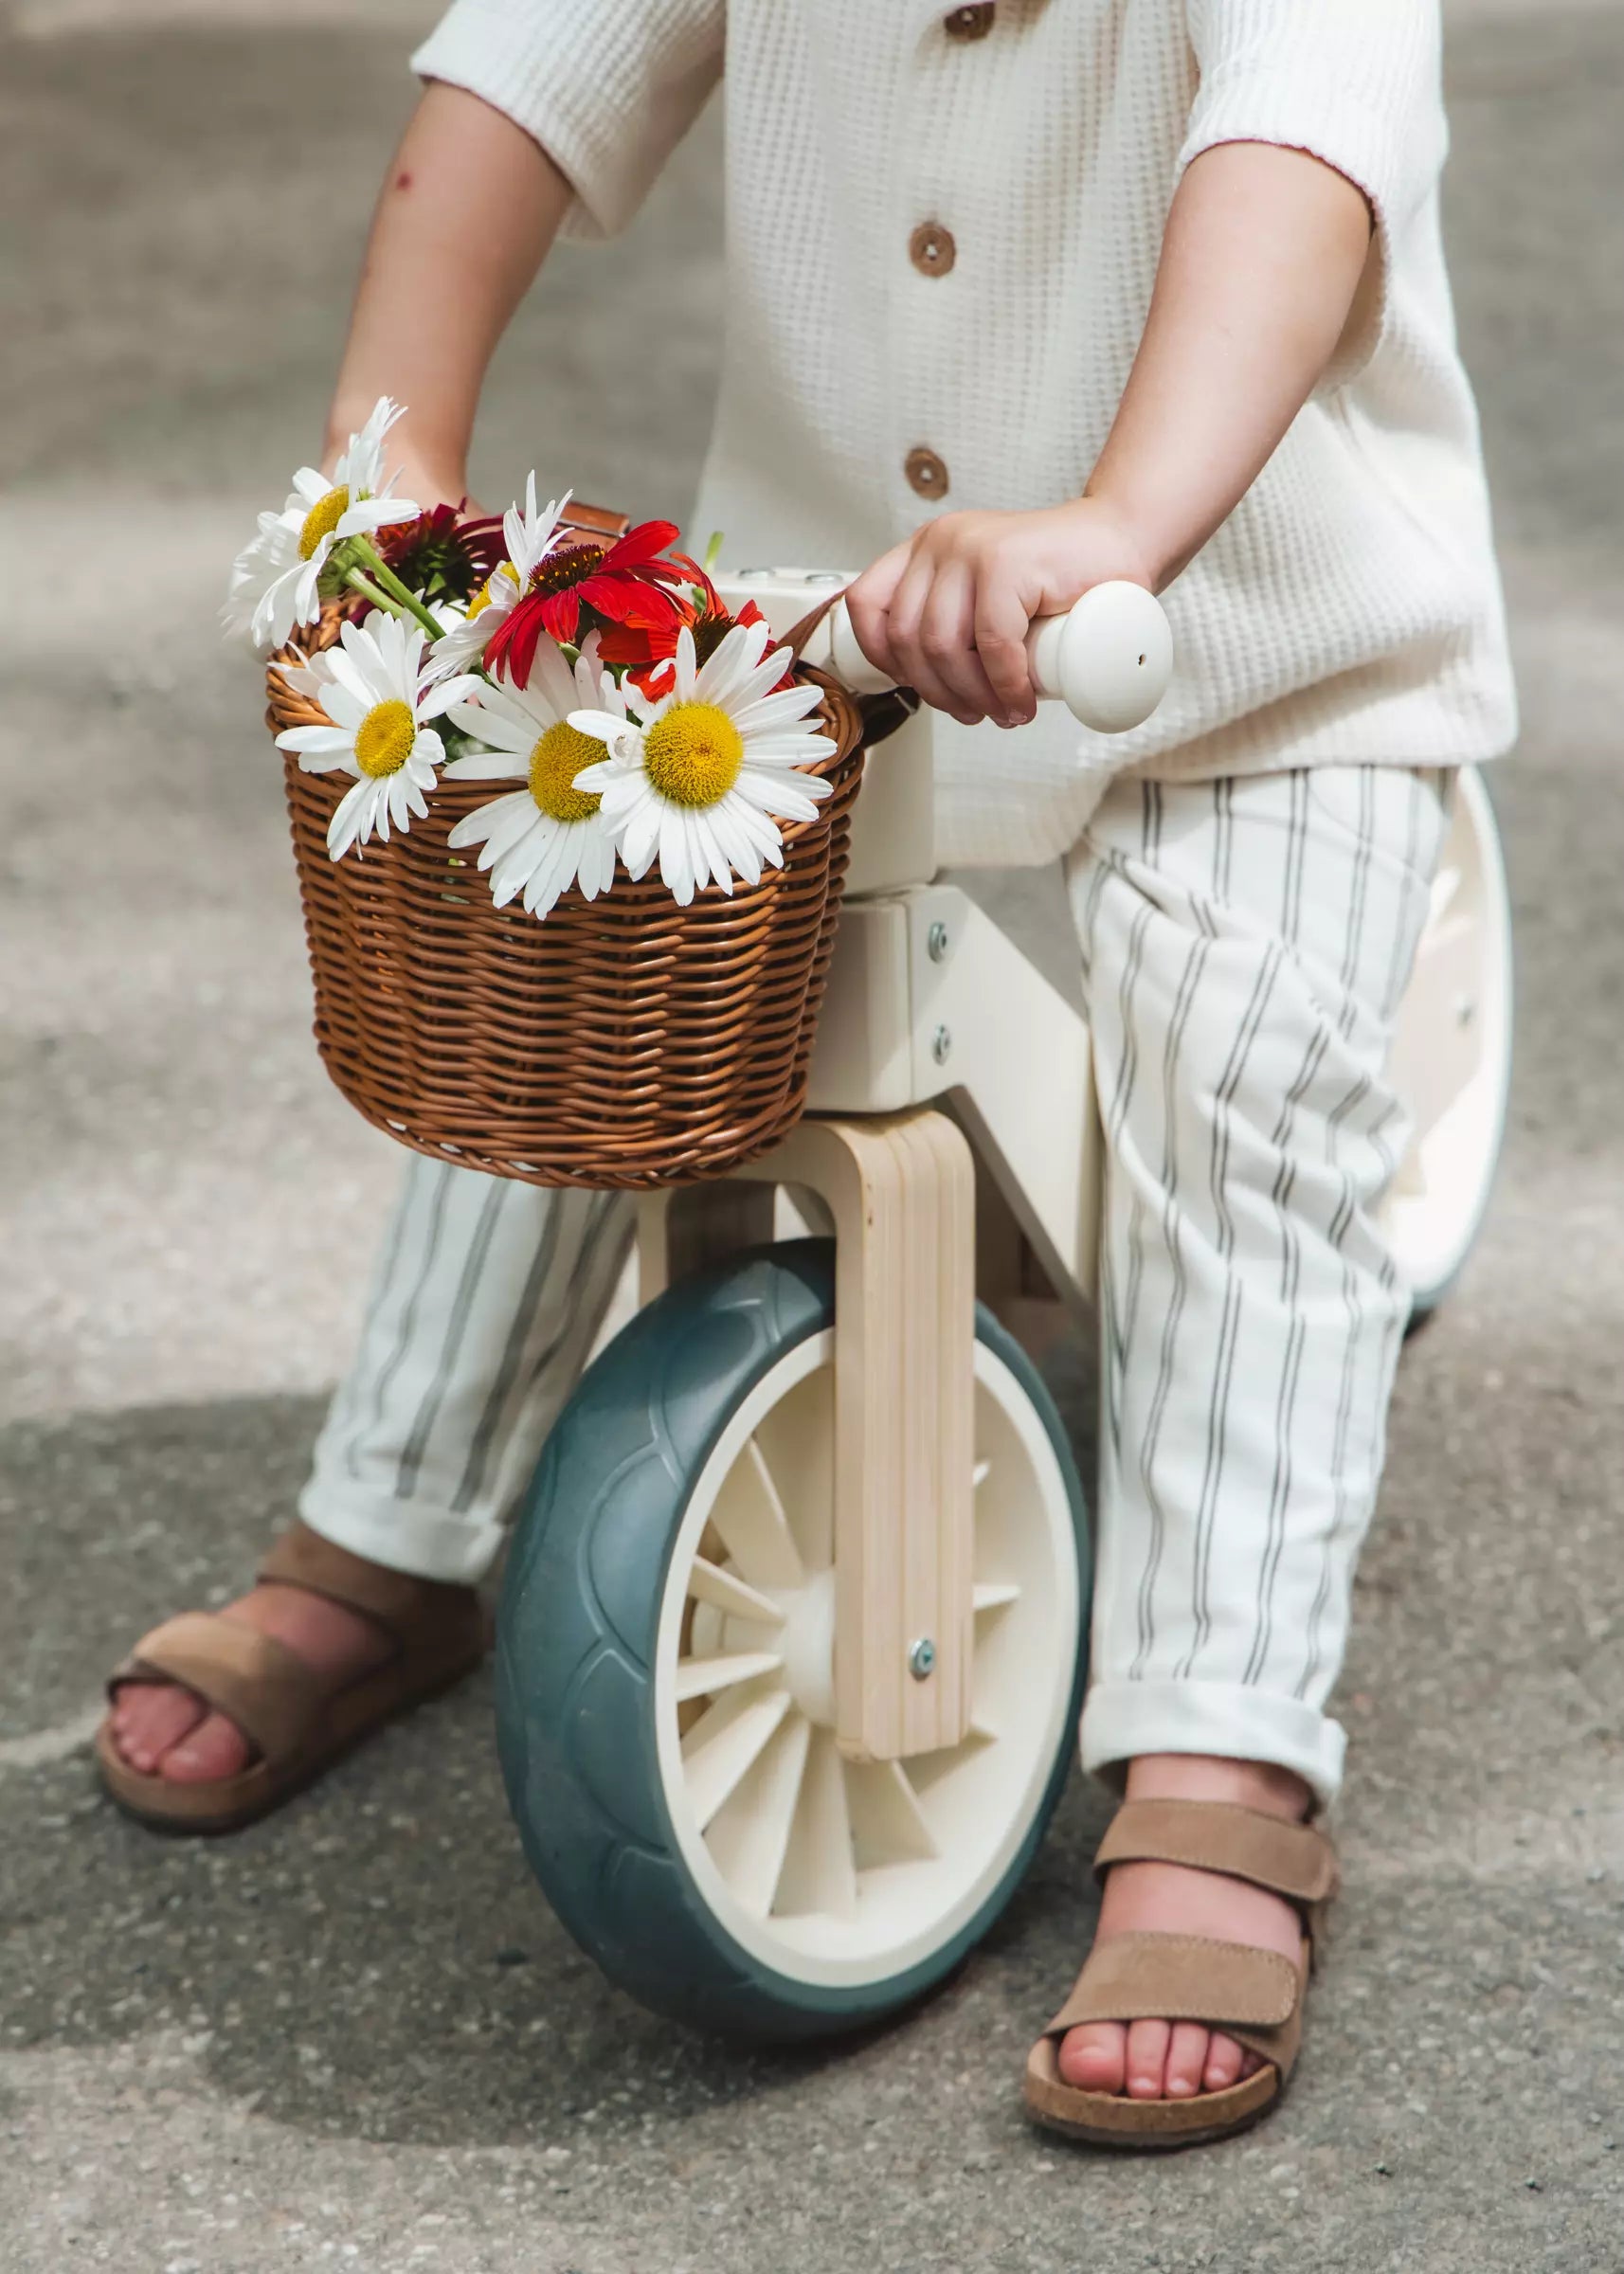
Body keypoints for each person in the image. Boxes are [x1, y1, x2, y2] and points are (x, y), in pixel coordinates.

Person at [99, 0, 1515, 2147]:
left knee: (1245, 1053)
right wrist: (389, 451)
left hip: (1239, 632)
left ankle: (1218, 1740)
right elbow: (520, 86)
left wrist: (1122, 512)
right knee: (567, 899)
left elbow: (1295, 161)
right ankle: (391, 1524)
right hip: (835, 629)